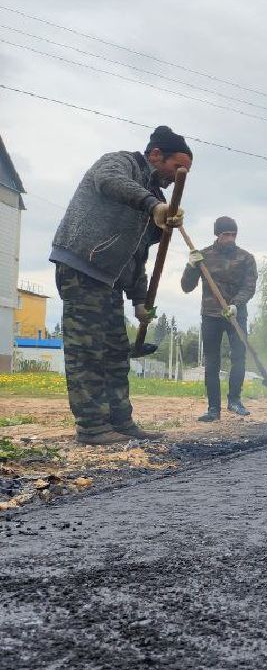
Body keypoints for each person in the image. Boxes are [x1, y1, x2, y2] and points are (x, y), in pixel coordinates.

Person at [48, 126, 190, 445]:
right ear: (156, 155)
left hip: (109, 279)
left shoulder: (157, 200)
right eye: (176, 166)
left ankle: (120, 422)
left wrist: (139, 299)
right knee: (87, 351)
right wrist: (152, 206)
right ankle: (92, 427)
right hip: (81, 265)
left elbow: (137, 253)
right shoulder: (121, 164)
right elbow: (109, 182)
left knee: (115, 352)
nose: (178, 175)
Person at [181, 216, 258, 422]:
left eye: (233, 234)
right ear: (218, 234)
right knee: (212, 362)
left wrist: (236, 304)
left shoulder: (246, 258)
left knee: (239, 357)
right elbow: (186, 287)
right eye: (226, 235)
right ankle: (213, 409)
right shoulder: (203, 257)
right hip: (211, 316)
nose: (230, 238)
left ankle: (235, 401)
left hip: (236, 315)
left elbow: (249, 286)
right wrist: (190, 266)